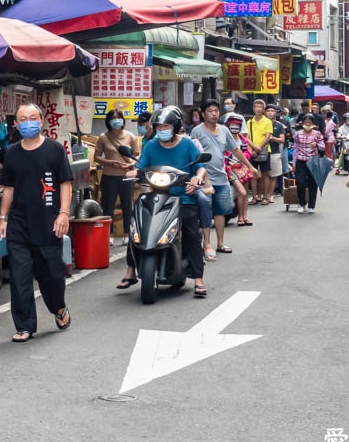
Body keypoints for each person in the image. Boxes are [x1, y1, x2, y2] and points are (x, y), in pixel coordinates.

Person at [0, 103, 74, 341]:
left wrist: (63, 213)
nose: (28, 122)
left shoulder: (54, 149)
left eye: (32, 117)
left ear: (41, 121)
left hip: (48, 222)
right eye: (22, 118)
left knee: (51, 275)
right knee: (19, 278)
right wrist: (3, 217)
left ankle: (58, 307)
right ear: (16, 124)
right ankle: (24, 325)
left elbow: (65, 183)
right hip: (19, 224)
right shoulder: (11, 152)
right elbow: (8, 188)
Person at [118, 106, 208, 297]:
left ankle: (198, 279)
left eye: (166, 126)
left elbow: (200, 168)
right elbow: (141, 165)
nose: (162, 130)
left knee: (192, 232)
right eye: (158, 126)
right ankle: (131, 270)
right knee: (137, 226)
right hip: (155, 194)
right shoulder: (151, 145)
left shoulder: (188, 145)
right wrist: (134, 171)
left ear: (175, 127)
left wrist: (196, 178)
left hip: (182, 196)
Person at [191, 100, 257, 260]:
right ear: (203, 113)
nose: (214, 114)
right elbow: (193, 154)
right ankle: (206, 244)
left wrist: (249, 166)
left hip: (221, 177)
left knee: (221, 211)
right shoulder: (197, 132)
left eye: (216, 111)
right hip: (204, 179)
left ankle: (220, 243)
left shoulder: (225, 131)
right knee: (206, 212)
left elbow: (235, 149)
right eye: (210, 111)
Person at [95, 110, 140, 225]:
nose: (116, 121)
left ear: (123, 120)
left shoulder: (130, 136)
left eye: (119, 118)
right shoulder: (103, 137)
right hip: (109, 176)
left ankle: (128, 233)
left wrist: (131, 164)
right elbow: (97, 157)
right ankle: (107, 234)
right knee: (108, 206)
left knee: (128, 206)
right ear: (108, 121)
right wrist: (110, 162)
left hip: (126, 176)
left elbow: (138, 155)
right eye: (113, 119)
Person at [222, 113, 254, 225]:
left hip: (243, 168)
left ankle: (244, 216)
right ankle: (239, 217)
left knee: (245, 194)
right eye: (232, 125)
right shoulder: (225, 139)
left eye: (237, 125)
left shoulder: (243, 139)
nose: (234, 127)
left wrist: (244, 158)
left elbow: (248, 152)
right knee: (242, 193)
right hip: (230, 169)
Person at [291, 116, 324, 214]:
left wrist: (317, 145)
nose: (308, 124)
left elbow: (323, 147)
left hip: (313, 161)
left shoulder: (317, 134)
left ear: (313, 124)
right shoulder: (298, 134)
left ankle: (311, 205)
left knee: (313, 184)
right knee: (300, 182)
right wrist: (294, 162)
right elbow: (295, 148)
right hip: (301, 161)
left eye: (310, 122)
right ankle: (302, 204)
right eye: (306, 122)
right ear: (303, 123)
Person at [246, 100, 274, 205]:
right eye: (256, 107)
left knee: (265, 174)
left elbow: (268, 137)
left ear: (263, 110)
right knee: (253, 174)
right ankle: (254, 196)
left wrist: (259, 148)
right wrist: (253, 148)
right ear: (253, 108)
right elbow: (247, 137)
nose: (258, 109)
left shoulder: (267, 121)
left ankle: (265, 197)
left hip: (265, 150)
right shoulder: (250, 122)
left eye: (260, 107)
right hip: (252, 150)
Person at [264, 105, 286, 198]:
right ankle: (263, 195)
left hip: (275, 152)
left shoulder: (279, 125)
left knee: (274, 175)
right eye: (268, 110)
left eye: (272, 111)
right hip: (263, 153)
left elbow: (282, 140)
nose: (270, 112)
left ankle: (269, 195)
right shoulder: (262, 123)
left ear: (275, 113)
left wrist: (272, 138)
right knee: (264, 176)